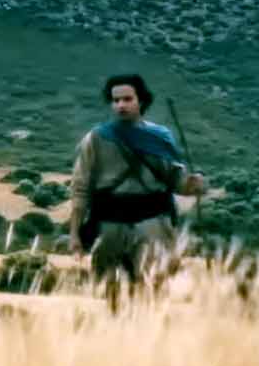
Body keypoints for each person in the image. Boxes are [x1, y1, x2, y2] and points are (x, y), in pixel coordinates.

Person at [68, 74, 207, 312]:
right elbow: (80, 188)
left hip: (153, 222)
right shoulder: (97, 139)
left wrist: (194, 185)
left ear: (141, 101)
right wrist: (75, 234)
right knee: (112, 292)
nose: (120, 105)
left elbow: (176, 182)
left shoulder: (160, 137)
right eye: (115, 100)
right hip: (111, 223)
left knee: (152, 289)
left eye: (127, 99)